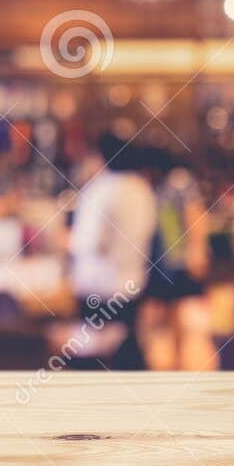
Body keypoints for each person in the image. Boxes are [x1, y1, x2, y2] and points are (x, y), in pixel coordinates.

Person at [69, 134, 158, 367]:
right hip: (132, 285)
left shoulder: (100, 190)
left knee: (95, 358)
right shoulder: (142, 189)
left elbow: (88, 243)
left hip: (99, 287)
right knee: (127, 353)